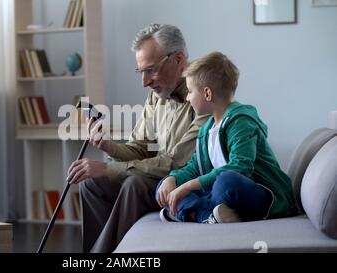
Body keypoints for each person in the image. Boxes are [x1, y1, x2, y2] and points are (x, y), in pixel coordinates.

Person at [66, 23, 208, 253]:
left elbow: (176, 163)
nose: (145, 81)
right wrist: (109, 146)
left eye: (151, 69)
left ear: (179, 59)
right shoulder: (156, 97)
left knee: (134, 183)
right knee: (92, 184)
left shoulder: (202, 96)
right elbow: (140, 148)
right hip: (157, 178)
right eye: (141, 71)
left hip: (186, 182)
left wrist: (108, 168)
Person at [156, 51, 297, 224]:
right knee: (164, 185)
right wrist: (174, 179)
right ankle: (210, 215)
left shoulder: (240, 121)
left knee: (226, 182)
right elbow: (194, 167)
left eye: (190, 91)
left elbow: (240, 167)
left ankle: (190, 212)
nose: (187, 97)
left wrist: (187, 186)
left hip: (261, 194)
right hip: (220, 194)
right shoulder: (206, 129)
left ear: (207, 93)